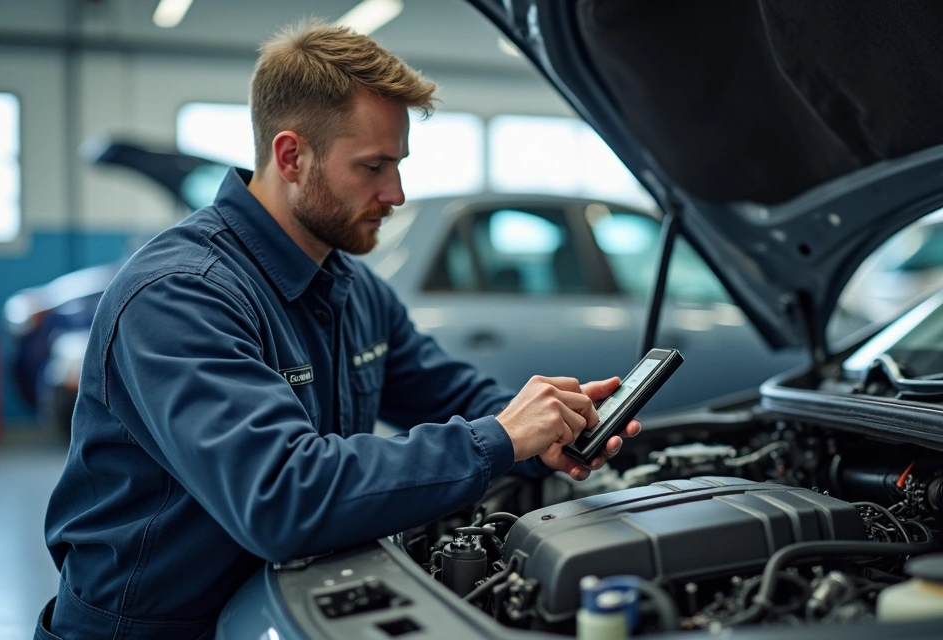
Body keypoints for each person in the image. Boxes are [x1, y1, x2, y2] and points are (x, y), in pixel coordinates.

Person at [34, 19, 640, 640]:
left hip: (271, 604)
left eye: (398, 165)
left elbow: (452, 395)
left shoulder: (349, 286)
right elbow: (283, 496)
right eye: (373, 167)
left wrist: (549, 430)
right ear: (292, 156)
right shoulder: (182, 295)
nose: (397, 193)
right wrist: (499, 438)